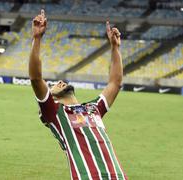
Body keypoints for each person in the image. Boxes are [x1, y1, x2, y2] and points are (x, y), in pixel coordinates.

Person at [29, 10, 127, 180]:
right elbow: (36, 78)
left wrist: (115, 48)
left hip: (118, 176)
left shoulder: (93, 108)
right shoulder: (55, 113)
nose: (59, 82)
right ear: (51, 98)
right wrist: (37, 39)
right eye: (52, 86)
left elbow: (115, 83)